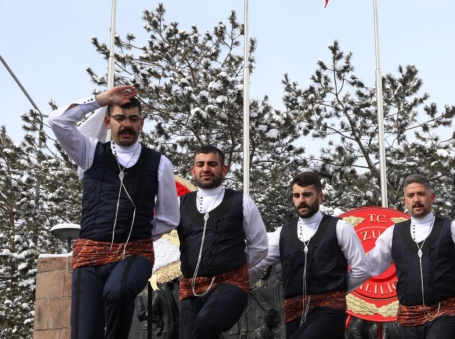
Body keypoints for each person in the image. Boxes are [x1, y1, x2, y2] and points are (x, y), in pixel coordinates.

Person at [48, 85, 179, 339]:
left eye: (132, 119)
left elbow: (169, 217)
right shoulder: (90, 152)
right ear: (108, 122)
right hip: (89, 256)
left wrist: (139, 231)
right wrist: (102, 99)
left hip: (134, 252)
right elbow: (57, 121)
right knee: (84, 334)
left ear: (142, 123)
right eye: (120, 118)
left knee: (117, 292)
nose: (126, 124)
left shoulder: (159, 163)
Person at [252, 171, 371, 339]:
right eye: (297, 195)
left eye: (307, 194)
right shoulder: (283, 233)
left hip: (328, 311)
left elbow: (362, 269)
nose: (301, 200)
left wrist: (336, 291)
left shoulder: (340, 228)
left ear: (320, 196)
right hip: (294, 312)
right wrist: (223, 272)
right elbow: (257, 261)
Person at [367, 174, 455, 339]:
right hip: (409, 316)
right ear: (404, 201)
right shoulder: (392, 233)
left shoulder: (453, 228)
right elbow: (372, 266)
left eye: (421, 194)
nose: (416, 199)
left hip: (447, 312)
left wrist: (449, 284)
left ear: (432, 197)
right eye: (411, 195)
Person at [177, 145, 269, 338]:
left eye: (212, 164)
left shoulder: (242, 201)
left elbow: (260, 246)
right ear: (193, 170)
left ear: (223, 169)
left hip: (230, 284)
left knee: (205, 326)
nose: (206, 169)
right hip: (190, 288)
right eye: (200, 164)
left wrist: (235, 268)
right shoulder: (180, 204)